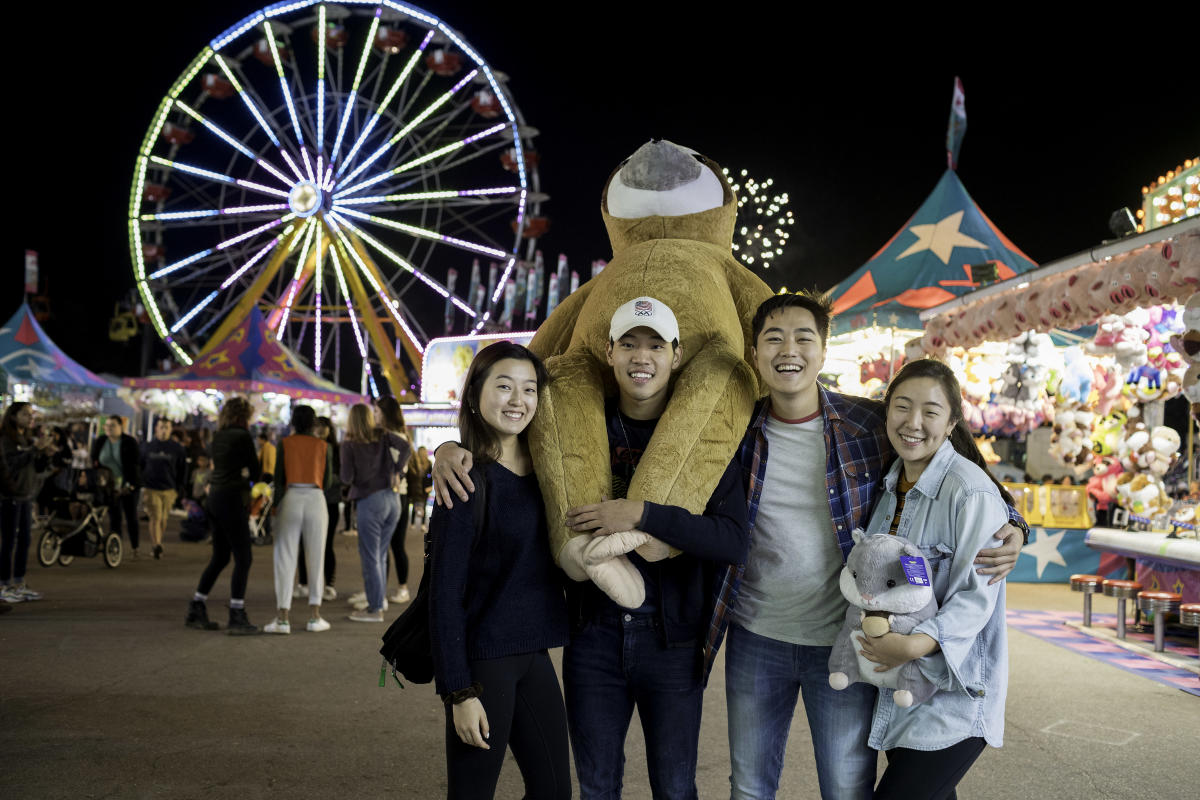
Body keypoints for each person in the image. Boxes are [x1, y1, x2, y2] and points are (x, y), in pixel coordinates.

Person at [711, 292, 1025, 800]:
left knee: (848, 787)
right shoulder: (733, 430)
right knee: (748, 786)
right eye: (773, 337)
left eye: (803, 337)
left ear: (823, 349)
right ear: (754, 351)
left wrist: (1014, 520)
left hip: (845, 641)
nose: (788, 349)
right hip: (756, 634)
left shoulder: (865, 424)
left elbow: (954, 459)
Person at [436, 298, 750, 799]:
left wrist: (642, 514)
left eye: (654, 345)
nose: (640, 357)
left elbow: (733, 540)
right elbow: (500, 444)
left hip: (672, 642)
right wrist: (448, 450)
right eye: (628, 344)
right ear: (609, 351)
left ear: (677, 353)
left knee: (673, 787)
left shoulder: (702, 439)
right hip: (592, 637)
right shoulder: (572, 427)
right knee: (596, 786)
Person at [856, 358, 1011, 799]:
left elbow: (977, 598)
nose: (913, 423)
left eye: (930, 411)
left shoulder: (970, 490)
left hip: (954, 693)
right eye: (902, 407)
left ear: (952, 423)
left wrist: (913, 644)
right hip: (903, 687)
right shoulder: (889, 487)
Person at [429, 341, 570, 800]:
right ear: (474, 395)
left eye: (529, 389)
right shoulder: (466, 478)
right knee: (472, 794)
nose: (518, 400)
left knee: (553, 791)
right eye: (504, 386)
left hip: (534, 653)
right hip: (484, 660)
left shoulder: (550, 469)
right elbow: (443, 594)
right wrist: (459, 693)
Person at [186, 396, 260, 634]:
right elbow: (255, 471)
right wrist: (252, 482)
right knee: (244, 557)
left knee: (220, 557)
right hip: (231, 498)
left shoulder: (218, 436)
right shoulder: (243, 436)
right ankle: (236, 614)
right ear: (243, 416)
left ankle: (197, 606)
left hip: (215, 498)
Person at [265, 405, 332, 634]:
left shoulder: (285, 444)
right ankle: (315, 616)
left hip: (291, 496)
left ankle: (282, 617)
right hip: (316, 498)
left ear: (292, 421)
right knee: (316, 556)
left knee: (284, 556)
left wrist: (275, 505)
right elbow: (329, 481)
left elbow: (278, 476)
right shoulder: (324, 446)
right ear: (313, 423)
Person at [340, 403, 409, 623]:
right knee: (379, 555)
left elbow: (346, 477)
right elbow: (406, 448)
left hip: (370, 501)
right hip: (393, 498)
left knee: (371, 557)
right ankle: (377, 603)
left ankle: (375, 609)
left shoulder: (349, 444)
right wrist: (396, 470)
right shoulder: (383, 435)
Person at [1, 403, 55, 604]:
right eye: (25, 414)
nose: (30, 418)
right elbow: (12, 463)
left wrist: (44, 454)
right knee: (9, 541)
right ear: (13, 416)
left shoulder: (25, 437)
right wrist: (34, 450)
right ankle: (4, 584)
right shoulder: (6, 439)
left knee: (24, 540)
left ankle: (19, 582)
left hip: (25, 494)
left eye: (31, 414)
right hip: (10, 496)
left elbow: (33, 465)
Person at [297, 416, 340, 602]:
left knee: (327, 544)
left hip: (328, 501)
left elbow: (341, 477)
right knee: (302, 543)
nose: (319, 431)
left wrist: (322, 480)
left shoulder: (335, 450)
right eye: (316, 427)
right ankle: (304, 583)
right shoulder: (307, 447)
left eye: (323, 427)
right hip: (307, 499)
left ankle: (328, 584)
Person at [376, 395, 414, 604]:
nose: (374, 415)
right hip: (396, 494)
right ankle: (382, 589)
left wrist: (396, 473)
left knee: (393, 545)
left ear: (385, 413)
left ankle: (398, 589)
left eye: (377, 411)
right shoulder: (397, 435)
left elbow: (398, 465)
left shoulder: (393, 437)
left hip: (395, 494)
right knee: (388, 545)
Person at [90, 415, 142, 558]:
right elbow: (94, 460)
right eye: (106, 425)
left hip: (128, 484)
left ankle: (135, 547)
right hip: (109, 485)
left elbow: (136, 465)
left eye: (112, 425)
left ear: (121, 427)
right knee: (115, 517)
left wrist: (130, 485)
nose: (109, 428)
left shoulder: (129, 442)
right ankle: (115, 547)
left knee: (131, 516)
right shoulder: (101, 441)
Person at [141, 417, 187, 560]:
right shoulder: (147, 446)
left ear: (171, 429)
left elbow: (182, 469)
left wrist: (180, 487)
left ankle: (157, 543)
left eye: (166, 427)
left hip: (169, 488)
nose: (164, 430)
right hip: (151, 487)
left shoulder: (177, 448)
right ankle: (156, 545)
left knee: (163, 519)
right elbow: (140, 465)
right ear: (156, 428)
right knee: (155, 516)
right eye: (161, 427)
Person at [407, 445, 433, 532]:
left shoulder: (428, 463)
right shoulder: (415, 463)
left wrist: (430, 485)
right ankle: (414, 524)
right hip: (417, 488)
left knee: (422, 506)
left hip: (424, 488)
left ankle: (420, 524)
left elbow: (430, 475)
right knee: (418, 505)